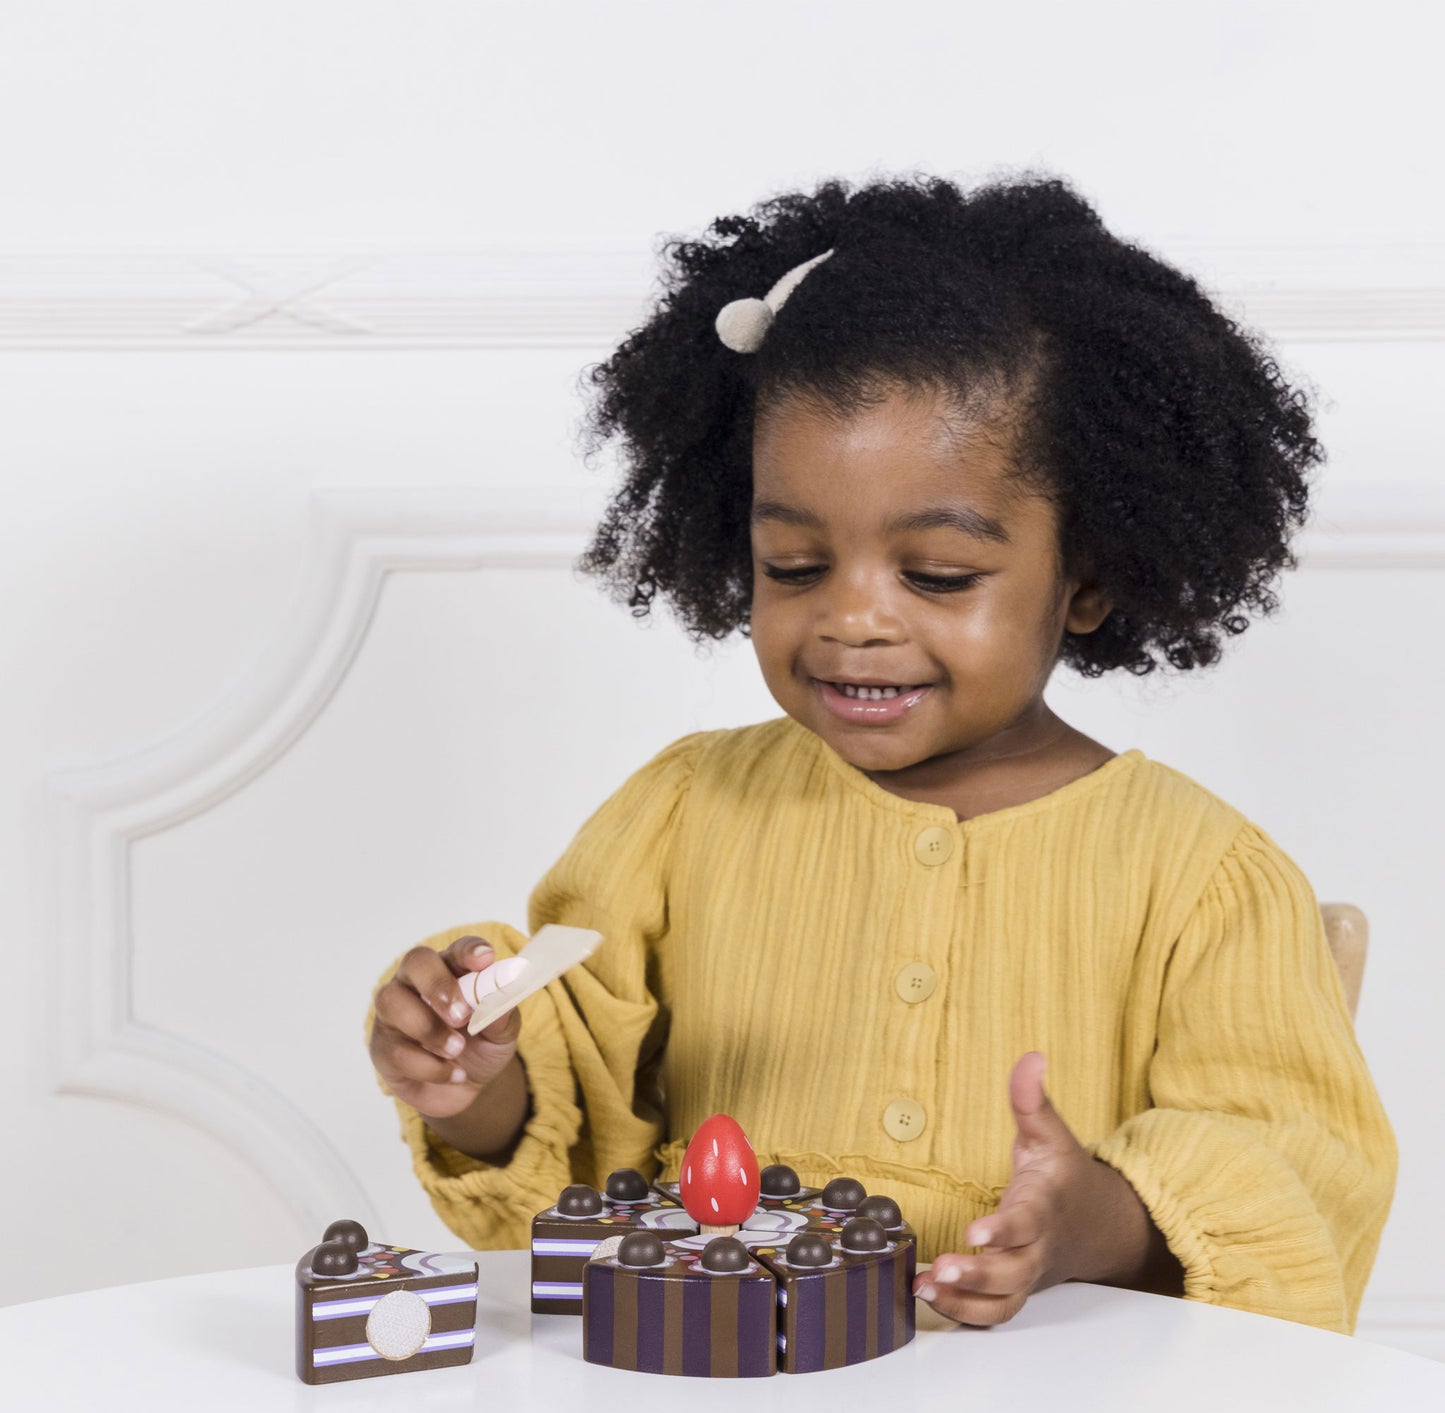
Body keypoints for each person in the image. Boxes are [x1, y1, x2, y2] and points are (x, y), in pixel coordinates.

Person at [365, 171, 1396, 1334]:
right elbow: (575, 1150)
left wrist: (1087, 1219)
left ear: (1087, 577)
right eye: (794, 566)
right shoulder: (681, 811)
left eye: (938, 575)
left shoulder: (1203, 877)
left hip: (1045, 1402)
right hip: (713, 1386)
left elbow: (1292, 1171)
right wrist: (476, 1083)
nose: (851, 617)